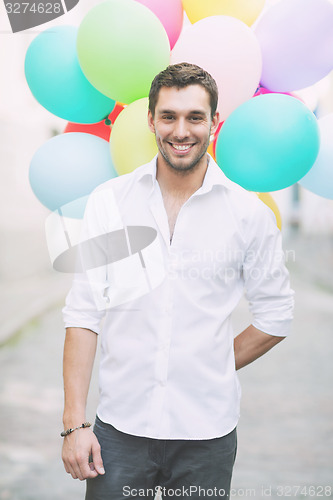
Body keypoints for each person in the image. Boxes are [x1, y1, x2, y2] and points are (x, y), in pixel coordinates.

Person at [61, 63, 294, 499]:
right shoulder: (110, 202)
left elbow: (276, 315)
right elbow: (83, 312)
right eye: (168, 116)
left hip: (206, 434)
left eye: (194, 117)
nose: (180, 130)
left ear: (214, 123)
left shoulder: (248, 215)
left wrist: (209, 362)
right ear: (150, 120)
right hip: (120, 430)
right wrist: (74, 423)